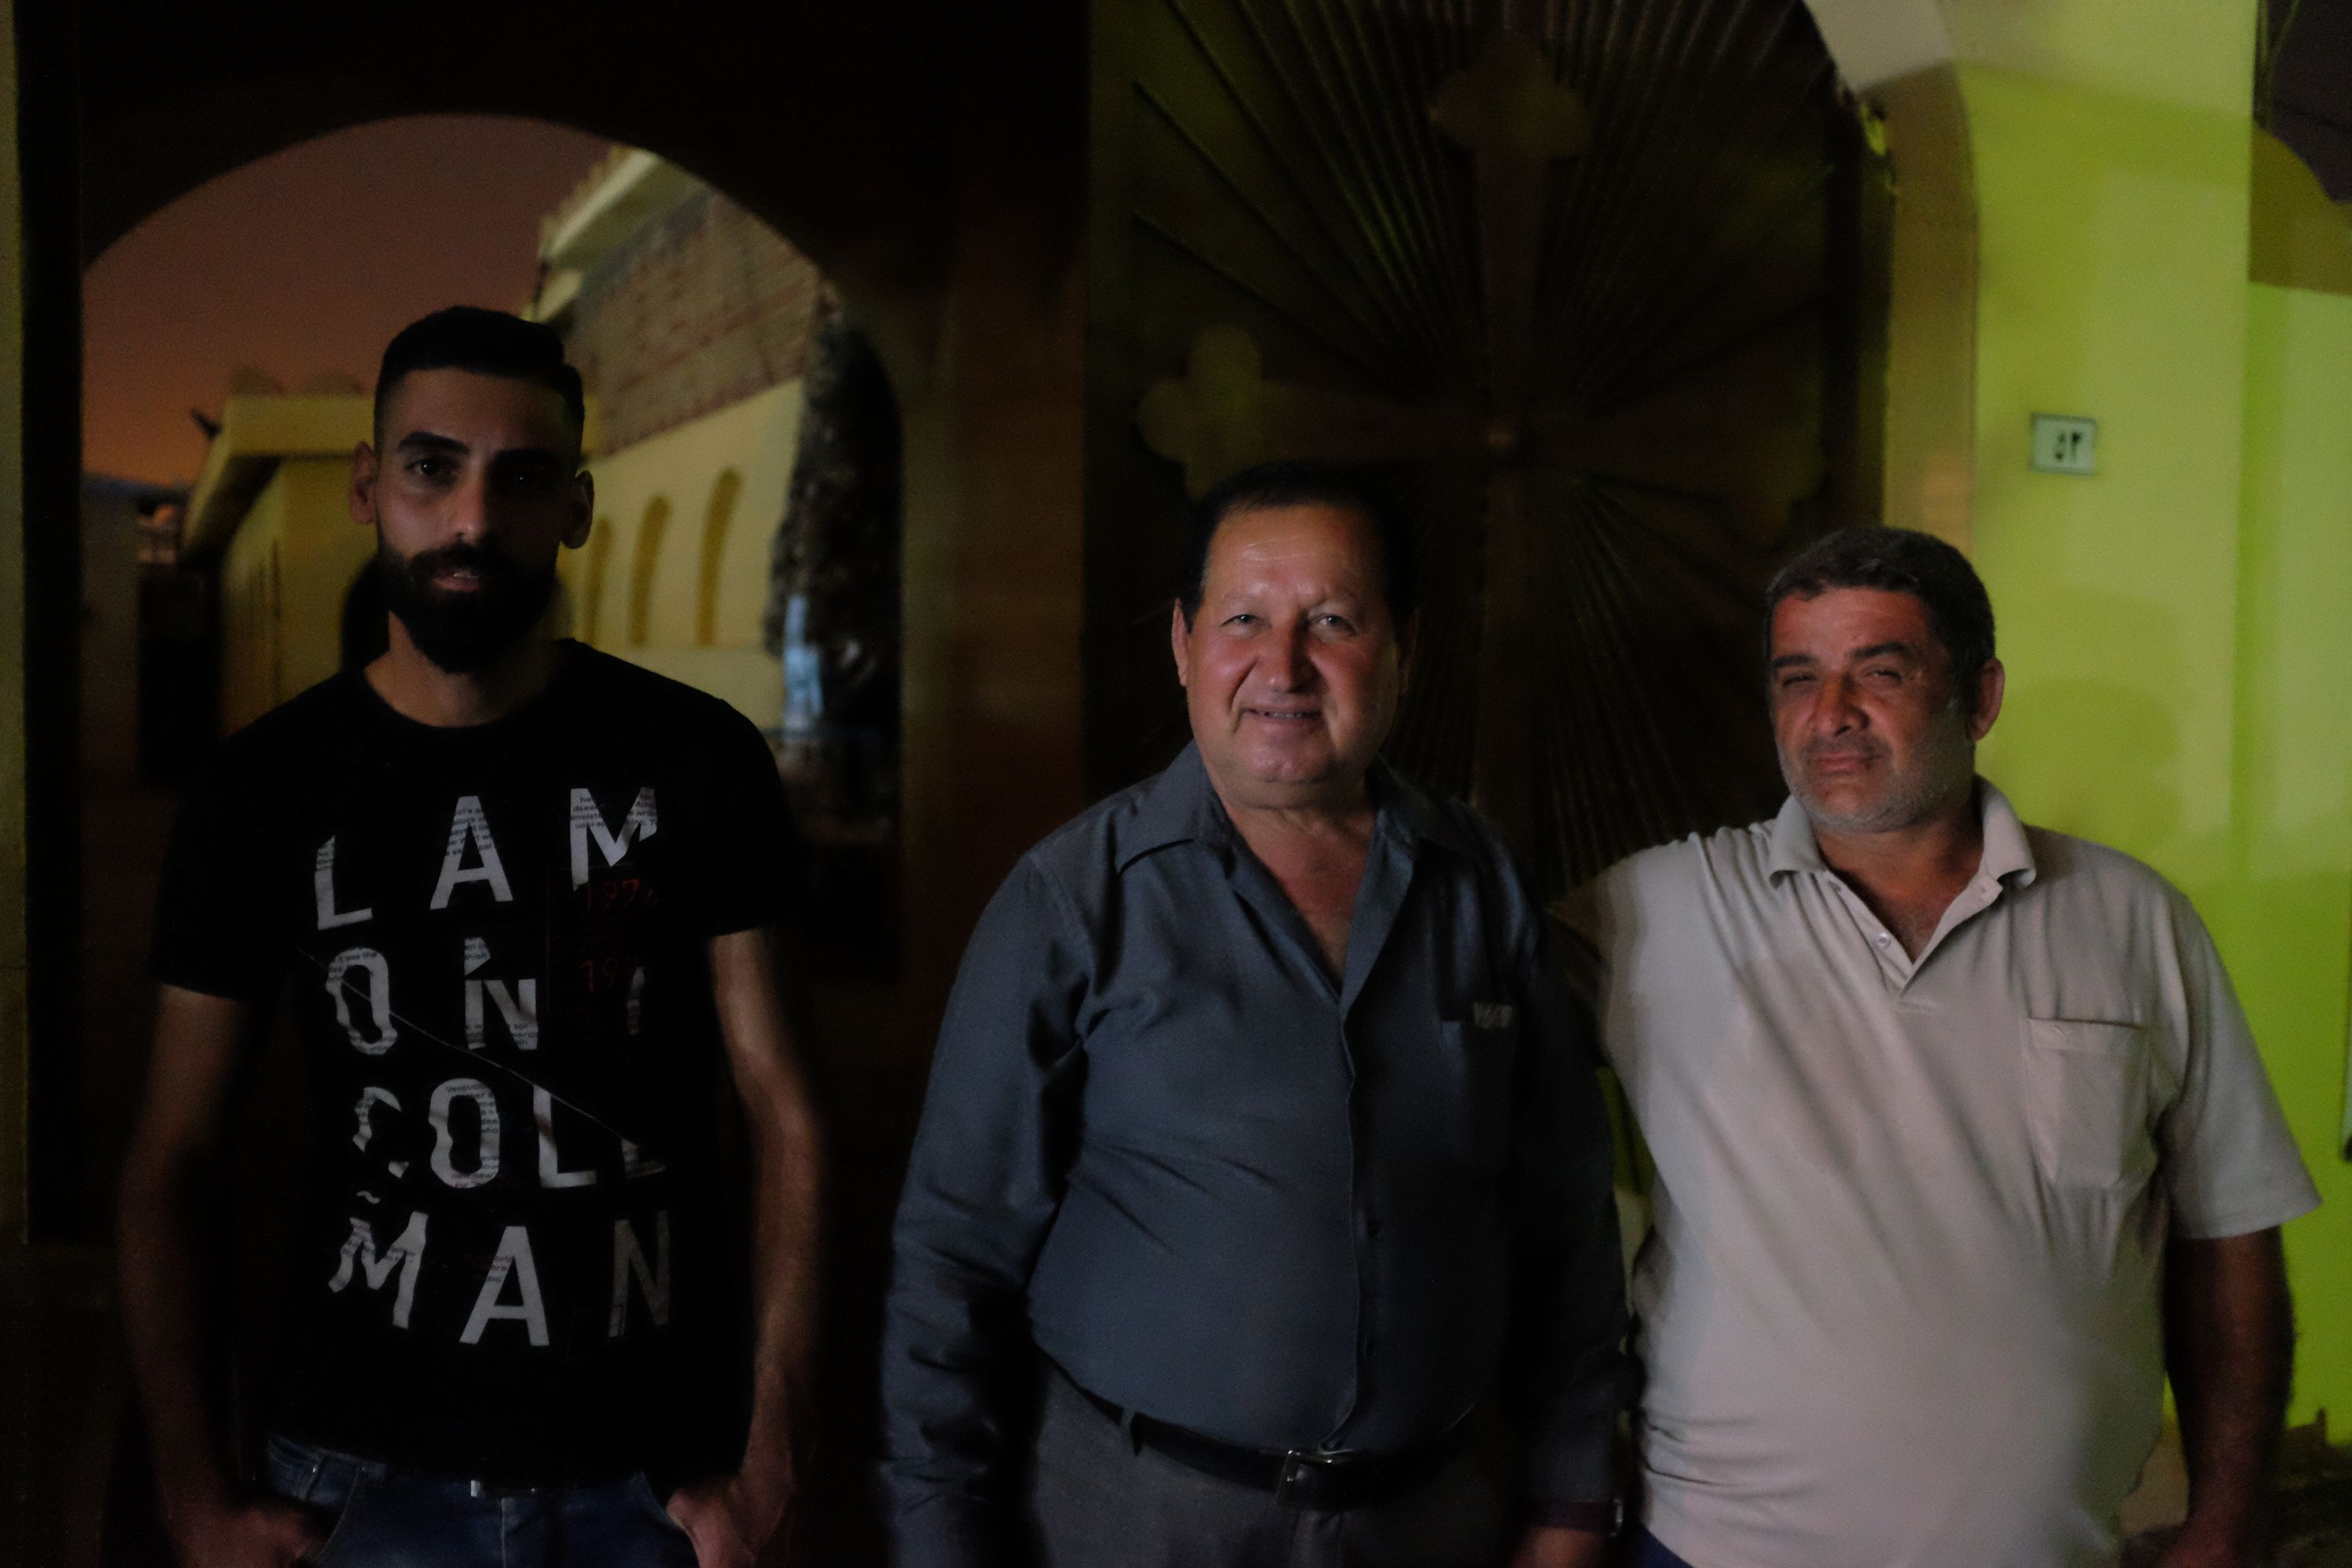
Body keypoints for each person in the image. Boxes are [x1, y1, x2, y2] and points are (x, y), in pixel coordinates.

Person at [118, 307, 823, 1568]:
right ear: (366, 487)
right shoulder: (264, 791)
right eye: (432, 469)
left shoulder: (696, 759)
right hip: (356, 1478)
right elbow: (174, 1151)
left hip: (652, 1483)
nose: (470, 522)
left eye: (522, 477)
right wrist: (190, 1484)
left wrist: (769, 1459)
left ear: (578, 508)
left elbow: (784, 1108)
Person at [879, 460, 1626, 1568]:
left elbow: (1567, 1221)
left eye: (1332, 620)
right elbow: (952, 1263)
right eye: (1243, 619)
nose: (1282, 666)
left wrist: (1571, 1503)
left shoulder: (1483, 888)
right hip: (1137, 1521)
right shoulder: (1073, 901)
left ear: (1404, 648)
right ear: (1184, 644)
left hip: (1435, 1522)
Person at [1562, 526, 2319, 1568]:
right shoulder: (1657, 910)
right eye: (1798, 678)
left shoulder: (2133, 922)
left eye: (1880, 672)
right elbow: (1437, 1032)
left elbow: (2230, 1235)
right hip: (1714, 1547)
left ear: (1982, 697)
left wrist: (2230, 1518)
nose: (1830, 716)